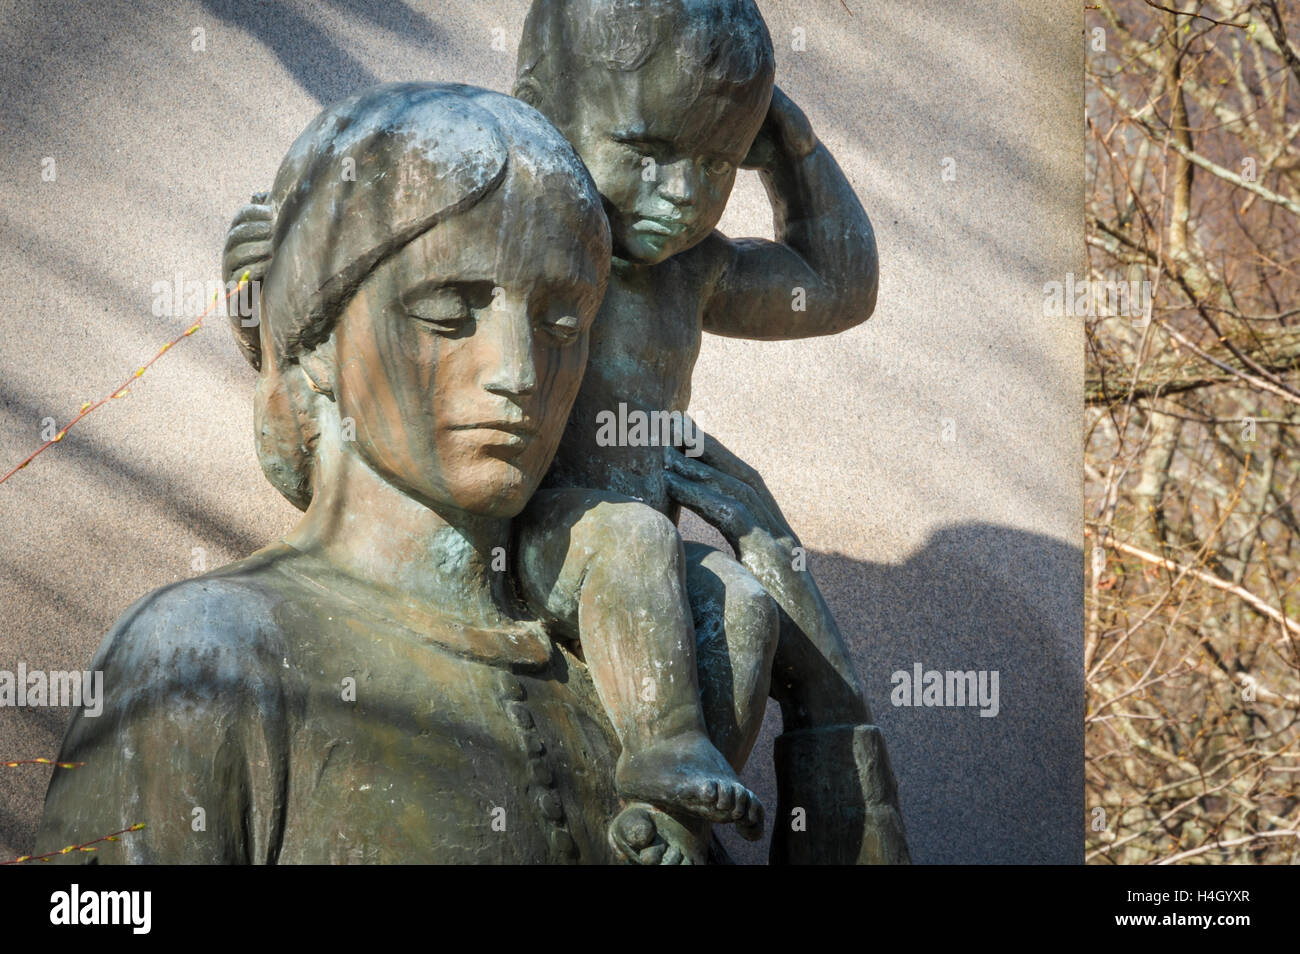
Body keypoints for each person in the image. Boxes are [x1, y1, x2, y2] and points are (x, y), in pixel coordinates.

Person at [36, 82, 634, 863]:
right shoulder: (202, 656)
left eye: (562, 322)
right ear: (316, 339)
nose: (517, 371)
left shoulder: (617, 686)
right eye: (448, 311)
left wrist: (829, 711)